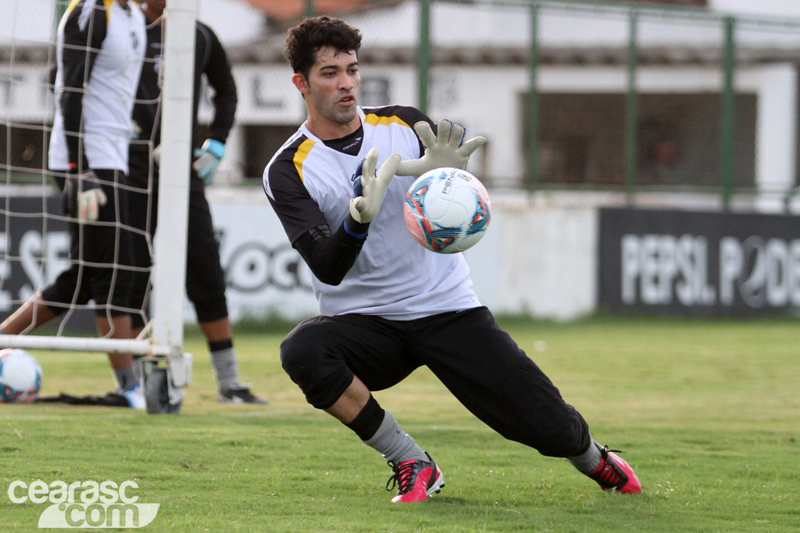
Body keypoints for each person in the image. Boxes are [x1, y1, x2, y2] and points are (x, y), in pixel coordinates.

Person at [263, 16, 642, 503]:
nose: (346, 84)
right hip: (365, 323)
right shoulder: (288, 169)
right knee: (303, 351)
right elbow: (327, 266)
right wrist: (358, 220)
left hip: (446, 308)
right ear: (301, 83)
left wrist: (456, 188)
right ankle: (410, 461)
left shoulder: (402, 124)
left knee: (551, 428)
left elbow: (454, 208)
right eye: (330, 73)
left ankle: (595, 458)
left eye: (352, 70)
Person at [1, 0, 146, 408]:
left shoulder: (133, 14)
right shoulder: (90, 12)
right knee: (114, 277)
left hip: (115, 158)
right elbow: (69, 87)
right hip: (89, 163)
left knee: (88, 278)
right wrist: (78, 170)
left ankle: (132, 385)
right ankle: (131, 388)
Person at [126, 0, 266, 404]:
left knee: (206, 271)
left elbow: (227, 91)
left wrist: (217, 143)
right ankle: (133, 385)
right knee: (129, 275)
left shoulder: (199, 34)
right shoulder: (116, 30)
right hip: (125, 171)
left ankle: (229, 383)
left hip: (180, 174)